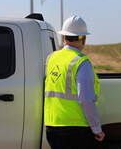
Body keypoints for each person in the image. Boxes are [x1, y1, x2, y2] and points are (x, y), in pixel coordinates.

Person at [44, 15, 105, 149]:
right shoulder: (81, 62)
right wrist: (96, 128)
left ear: (63, 38)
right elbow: (85, 99)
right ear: (83, 39)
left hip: (51, 125)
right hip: (75, 129)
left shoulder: (51, 59)